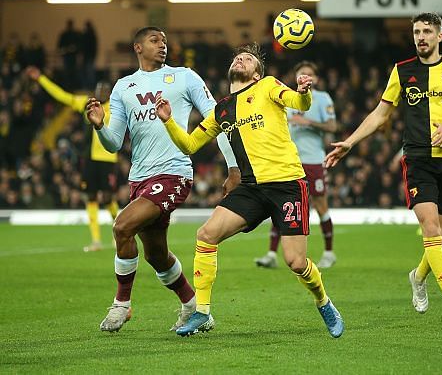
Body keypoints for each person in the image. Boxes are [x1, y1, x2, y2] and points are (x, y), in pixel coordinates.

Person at [155, 43, 344, 338]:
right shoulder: (222, 109)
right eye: (238, 57)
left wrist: (304, 92)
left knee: (295, 262)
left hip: (287, 185)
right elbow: (190, 145)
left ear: (257, 74)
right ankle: (202, 312)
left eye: (249, 59)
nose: (241, 59)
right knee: (206, 235)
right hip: (251, 188)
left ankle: (324, 302)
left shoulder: (268, 86)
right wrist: (168, 122)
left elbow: (297, 102)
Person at [84, 26, 240, 333]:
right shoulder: (123, 87)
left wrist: (233, 167)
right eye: (155, 40)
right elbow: (114, 143)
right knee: (156, 255)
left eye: (165, 41)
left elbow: (217, 118)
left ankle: (121, 305)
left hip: (174, 172)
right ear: (138, 47)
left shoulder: (185, 76)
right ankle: (193, 307)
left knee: (122, 226)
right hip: (139, 178)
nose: (162, 45)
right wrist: (100, 126)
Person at [325, 12, 442, 325]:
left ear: (439, 36)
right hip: (418, 159)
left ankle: (418, 277)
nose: (420, 37)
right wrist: (350, 142)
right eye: (417, 32)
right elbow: (380, 115)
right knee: (431, 231)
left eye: (427, 32)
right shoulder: (402, 70)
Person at [25, 66, 119, 252]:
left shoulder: (116, 108)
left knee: (107, 198)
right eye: (98, 90)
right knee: (90, 197)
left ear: (110, 93)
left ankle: (121, 233)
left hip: (108, 159)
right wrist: (41, 79)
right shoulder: (87, 103)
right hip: (89, 159)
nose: (100, 93)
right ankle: (96, 241)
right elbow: (62, 96)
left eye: (104, 90)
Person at [254, 61, 337, 269]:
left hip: (313, 160)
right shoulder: (286, 97)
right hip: (289, 161)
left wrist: (308, 123)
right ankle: (271, 254)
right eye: (302, 73)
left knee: (320, 205)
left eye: (310, 74)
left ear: (315, 79)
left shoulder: (322, 98)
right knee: (281, 205)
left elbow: (332, 126)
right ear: (296, 77)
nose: (306, 76)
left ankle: (328, 252)